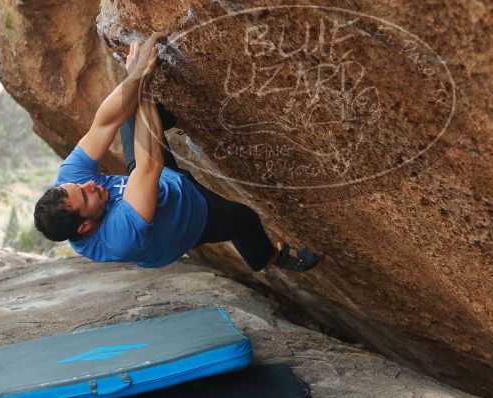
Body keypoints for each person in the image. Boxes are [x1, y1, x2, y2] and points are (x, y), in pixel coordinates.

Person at [33, 32, 320, 272]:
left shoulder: (68, 184)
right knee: (244, 220)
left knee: (131, 114)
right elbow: (150, 165)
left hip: (148, 181)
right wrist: (142, 83)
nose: (89, 184)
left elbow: (104, 122)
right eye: (85, 196)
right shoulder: (118, 238)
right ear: (85, 227)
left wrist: (132, 77)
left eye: (79, 186)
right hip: (188, 218)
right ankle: (270, 257)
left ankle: (174, 114)